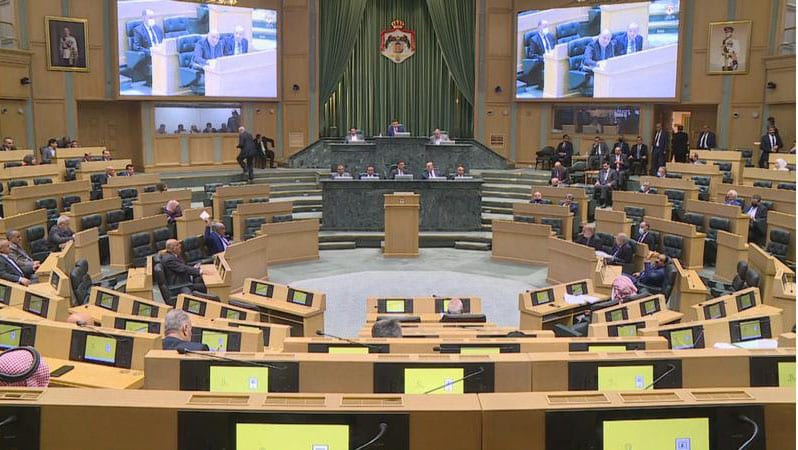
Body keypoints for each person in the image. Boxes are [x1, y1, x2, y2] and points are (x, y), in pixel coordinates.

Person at [522, 19, 556, 88]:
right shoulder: (534, 39)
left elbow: (556, 47)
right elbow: (531, 55)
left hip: (553, 58)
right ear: (539, 27)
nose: (546, 28)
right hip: (543, 61)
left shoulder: (551, 36)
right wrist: (544, 58)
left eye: (547, 26)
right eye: (544, 26)